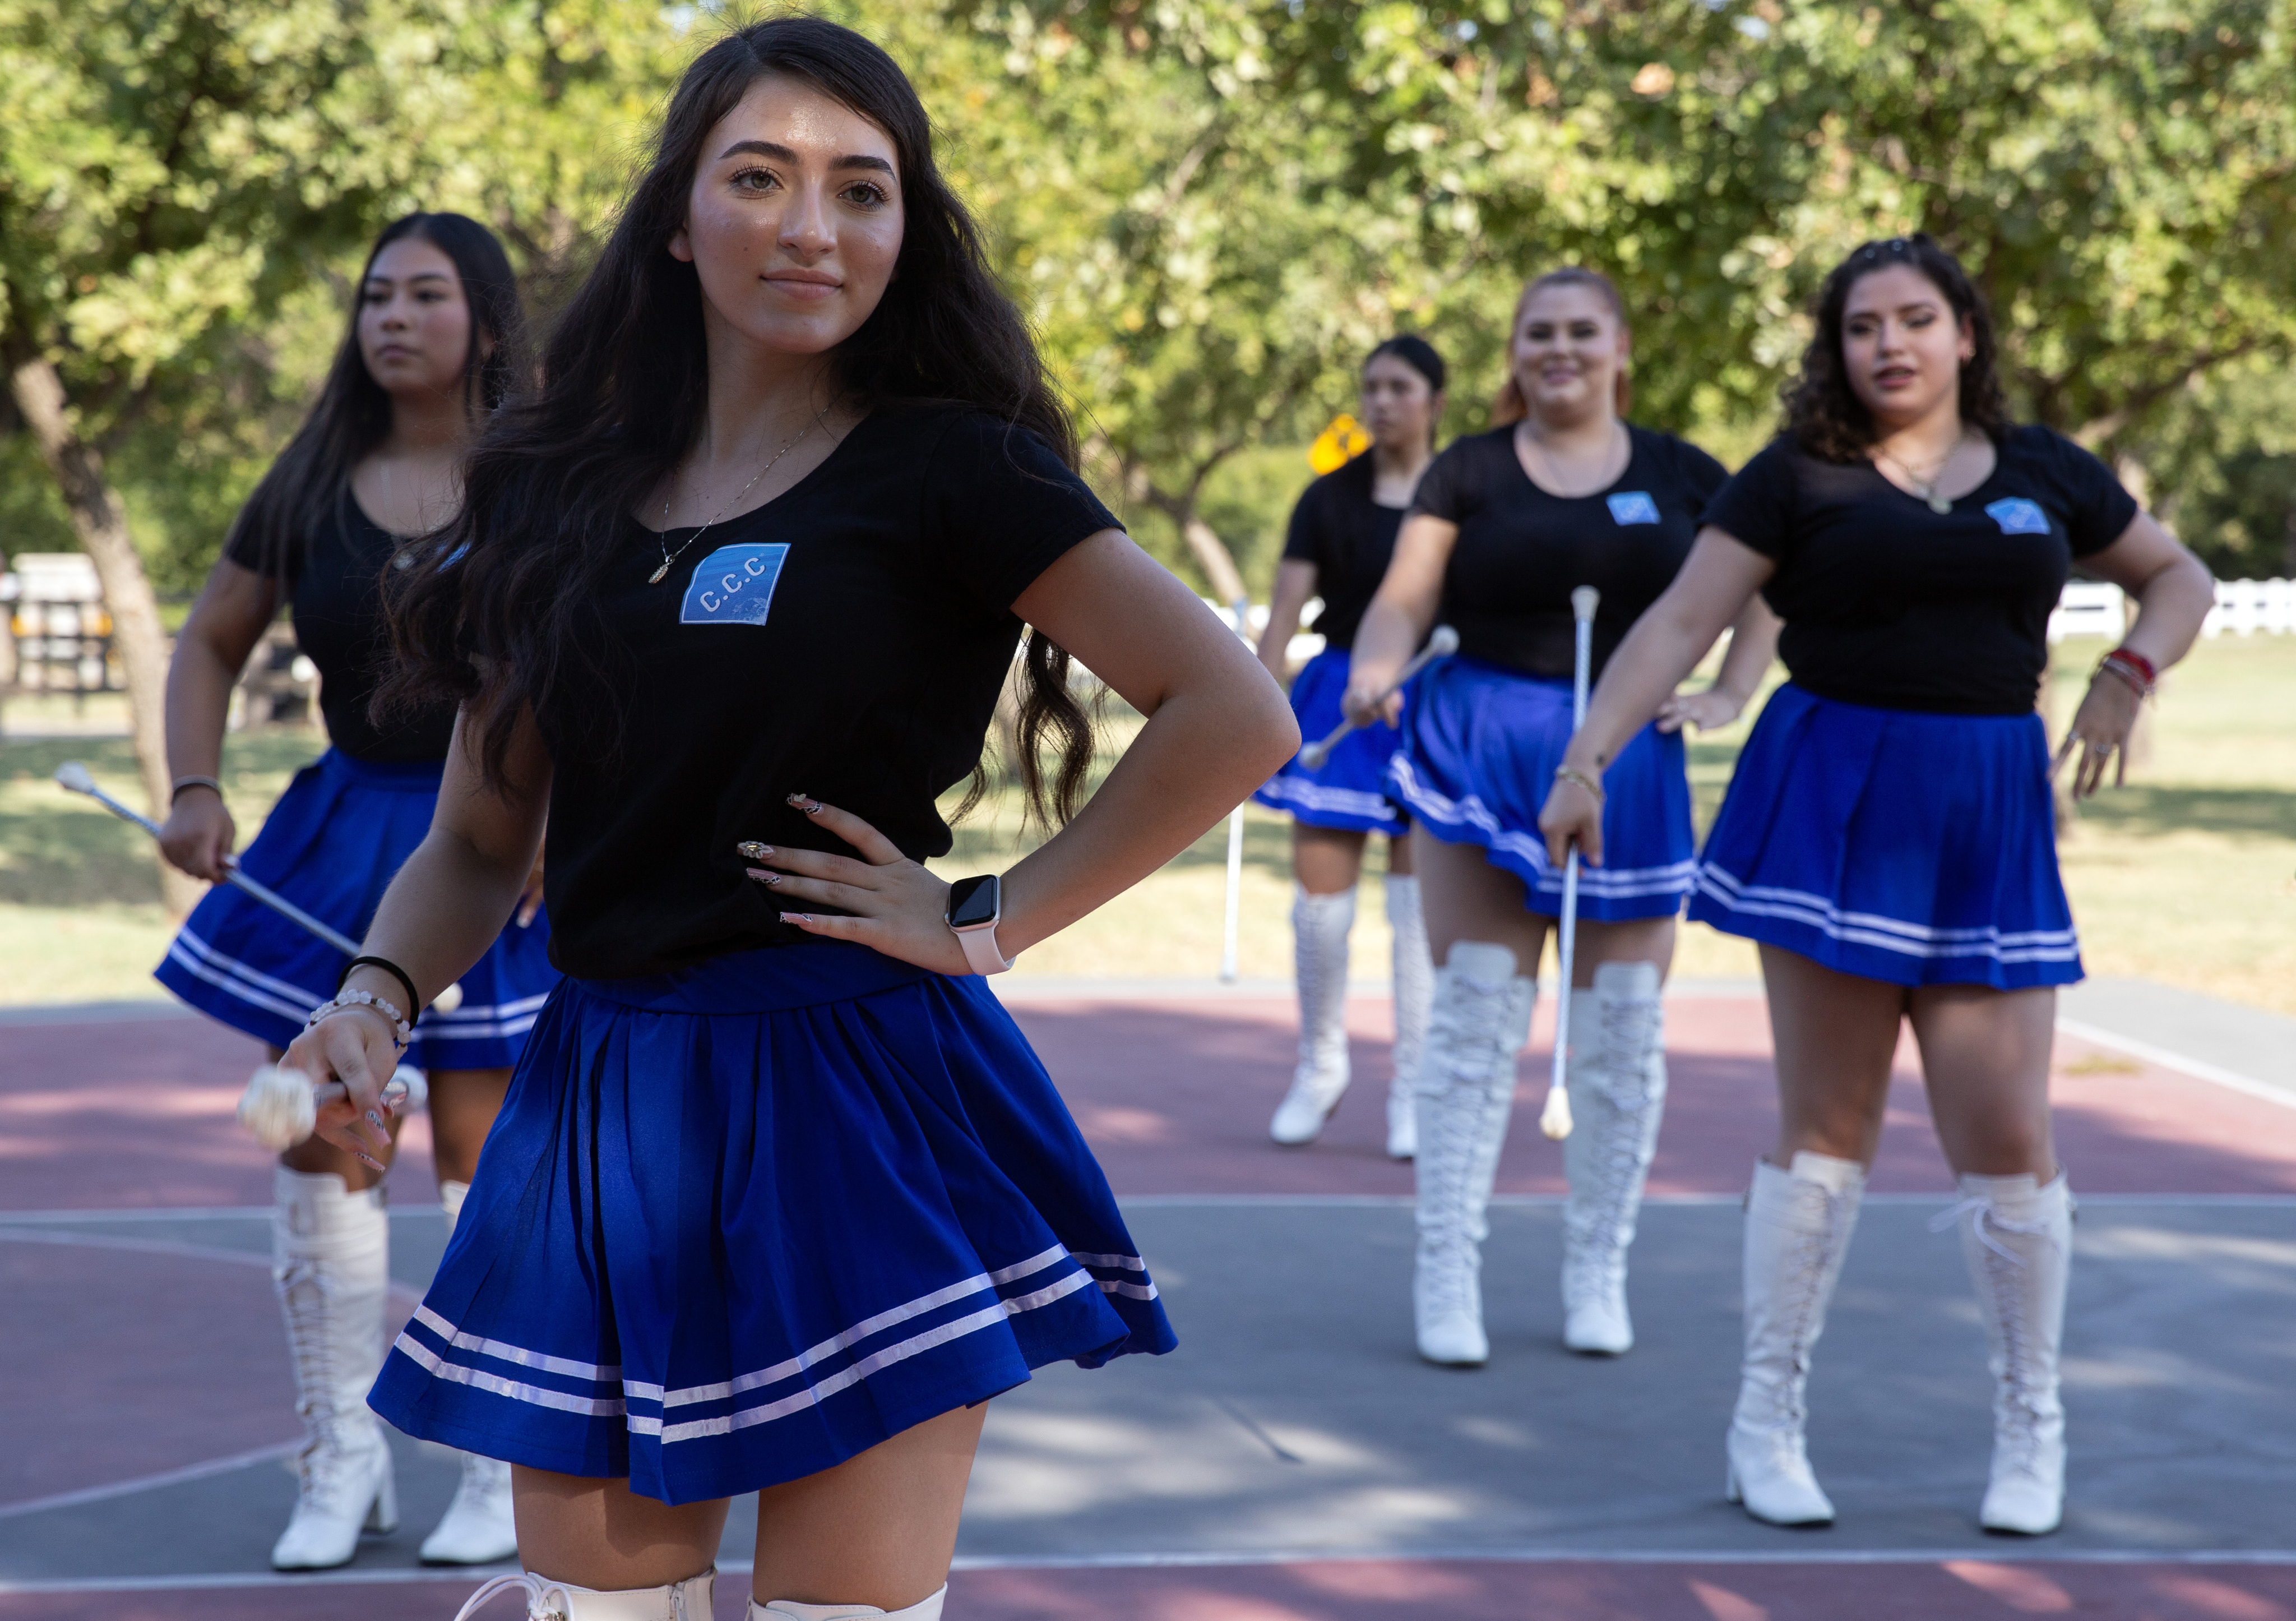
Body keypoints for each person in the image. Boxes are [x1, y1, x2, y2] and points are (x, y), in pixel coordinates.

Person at [278, 20, 1297, 1621]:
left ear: (908, 228)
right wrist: (370, 1000)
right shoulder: (560, 482)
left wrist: (988, 913)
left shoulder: (957, 471)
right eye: (760, 178)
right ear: (677, 218)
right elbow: (482, 837)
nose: (813, 226)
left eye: (861, 188)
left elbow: (1235, 711)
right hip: (606, 1102)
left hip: (854, 1097)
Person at [1539, 234, 2216, 1535]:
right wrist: (1584, 761)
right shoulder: (1796, 478)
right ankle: (1764, 1423)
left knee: (2007, 1142)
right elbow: (1679, 621)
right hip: (1831, 800)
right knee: (1825, 1131)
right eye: (1861, 326)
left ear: (1966, 333)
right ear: (1834, 348)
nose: (1888, 344)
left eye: (1915, 319)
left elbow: (2174, 578)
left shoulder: (2045, 474)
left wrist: (2127, 676)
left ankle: (2032, 1428)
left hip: (1984, 813)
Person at [153, 213, 553, 1572]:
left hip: (498, 836)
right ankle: (339, 1456)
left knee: (482, 1161)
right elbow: (210, 637)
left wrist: (567, 811)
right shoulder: (312, 475)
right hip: (336, 839)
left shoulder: (543, 477)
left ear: (486, 323)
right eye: (375, 295)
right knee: (311, 1135)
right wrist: (196, 786)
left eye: (425, 295)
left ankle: (494, 1471)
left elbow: (595, 661)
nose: (391, 316)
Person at [1346, 268, 1778, 1369]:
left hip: (1627, 757)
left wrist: (1729, 690)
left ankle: (1597, 1267)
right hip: (1478, 745)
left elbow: (1763, 584)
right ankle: (1446, 1267)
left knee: (1622, 1031)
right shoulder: (1468, 469)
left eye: (1582, 332)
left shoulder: (1683, 471)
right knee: (1475, 1021)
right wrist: (1377, 665)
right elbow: (1405, 592)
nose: (1560, 350)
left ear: (1620, 348)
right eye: (1538, 332)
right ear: (1513, 350)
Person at [1253, 337, 1447, 1160]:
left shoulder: (1464, 493)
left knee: (1416, 912)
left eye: (1399, 387)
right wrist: (1251, 714)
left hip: (1436, 697)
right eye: (1371, 387)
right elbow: (1284, 617)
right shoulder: (1328, 497)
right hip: (1341, 699)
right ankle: (1320, 1065)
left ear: (1435, 399)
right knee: (1322, 910)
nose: (1382, 401)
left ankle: (1415, 1086)